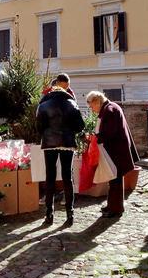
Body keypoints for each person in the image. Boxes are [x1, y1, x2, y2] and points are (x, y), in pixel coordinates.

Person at [36, 77, 85, 226]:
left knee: (50, 177)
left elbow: (39, 127)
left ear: (52, 90)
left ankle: (49, 214)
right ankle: (70, 214)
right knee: (67, 177)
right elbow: (79, 127)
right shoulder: (72, 103)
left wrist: (48, 134)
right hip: (67, 142)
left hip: (50, 142)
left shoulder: (43, 104)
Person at [87, 91, 140, 219]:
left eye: (91, 105)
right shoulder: (109, 107)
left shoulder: (109, 110)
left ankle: (116, 209)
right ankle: (112, 205)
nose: (91, 108)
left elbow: (108, 133)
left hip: (116, 150)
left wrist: (95, 138)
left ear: (96, 101)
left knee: (115, 179)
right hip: (117, 149)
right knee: (113, 179)